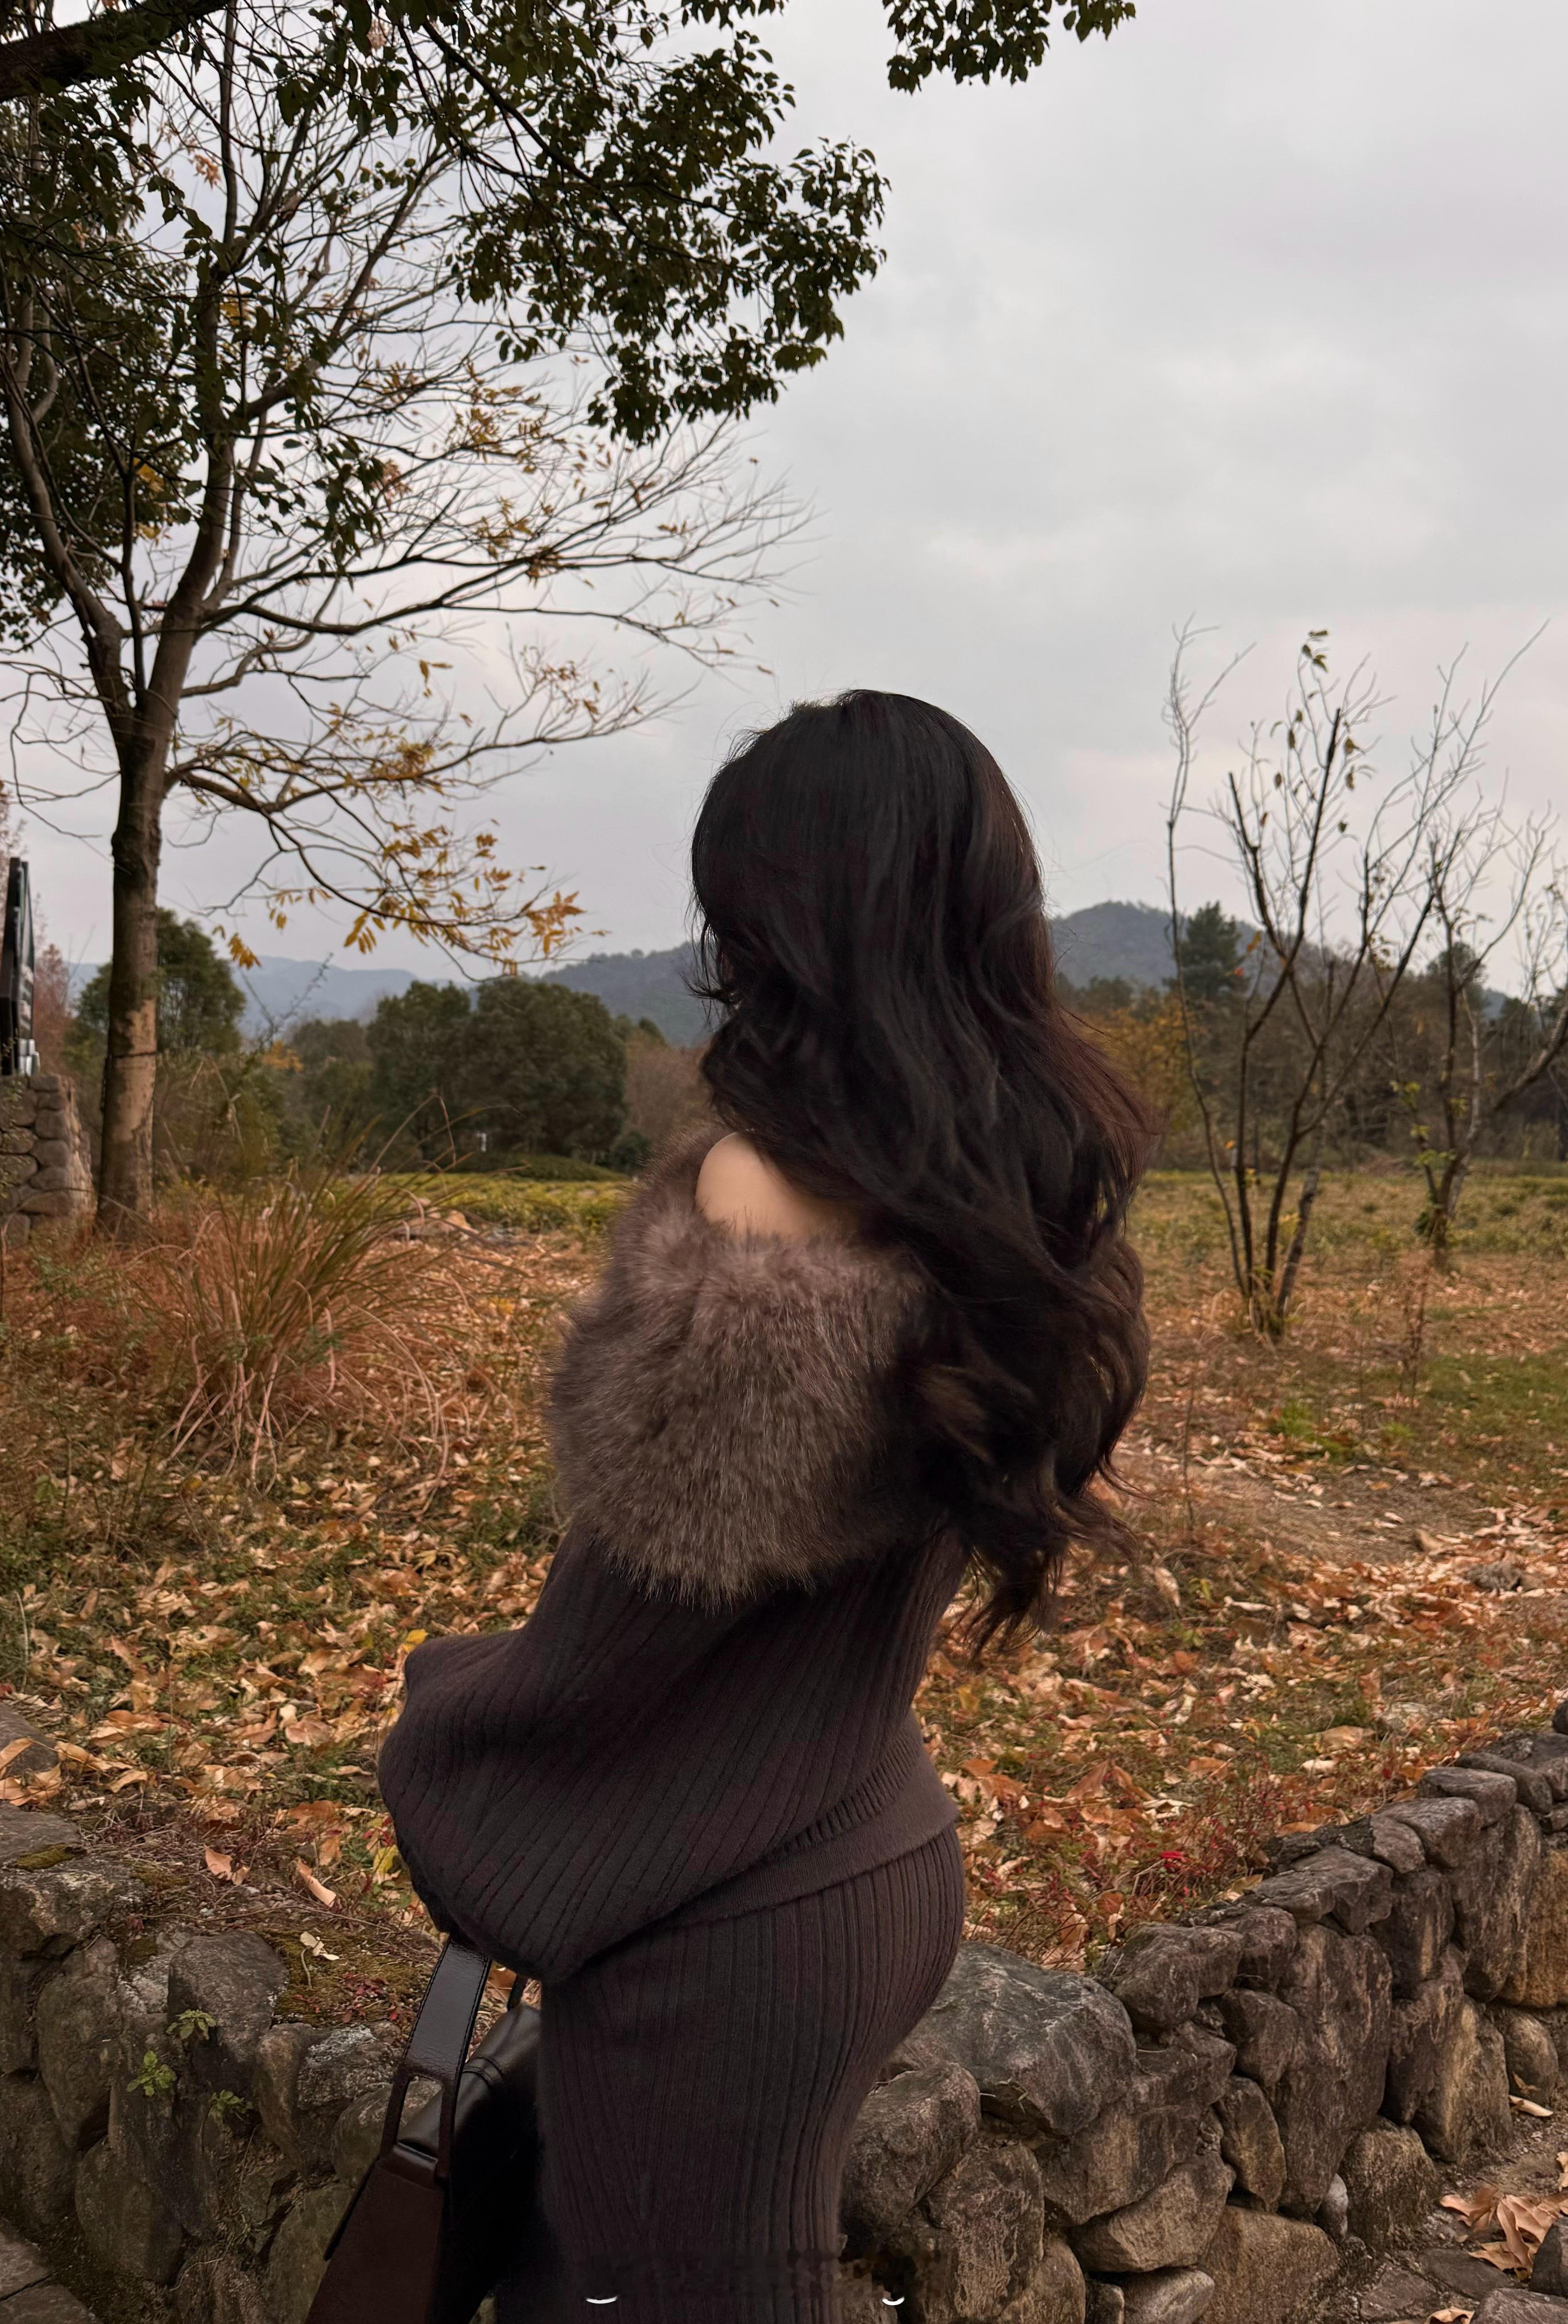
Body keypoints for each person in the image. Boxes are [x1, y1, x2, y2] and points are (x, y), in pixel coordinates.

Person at [378, 690, 1152, 2322]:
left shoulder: (756, 1190)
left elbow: (619, 1662)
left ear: (789, 922)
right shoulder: (990, 1187)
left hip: (723, 1941)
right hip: (865, 1844)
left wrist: (447, 1717)